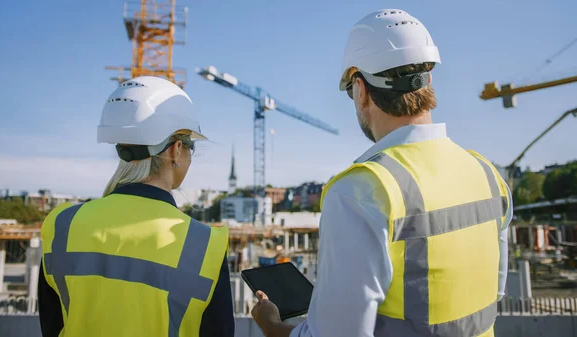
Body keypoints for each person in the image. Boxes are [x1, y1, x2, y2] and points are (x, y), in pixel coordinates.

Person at [252, 9, 512, 337]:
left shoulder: (360, 191)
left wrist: (274, 327)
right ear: (429, 79)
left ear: (360, 89)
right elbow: (493, 293)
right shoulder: (487, 174)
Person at [38, 76, 235, 337]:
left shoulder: (62, 225)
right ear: (176, 150)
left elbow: (52, 327)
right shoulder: (203, 245)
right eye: (191, 148)